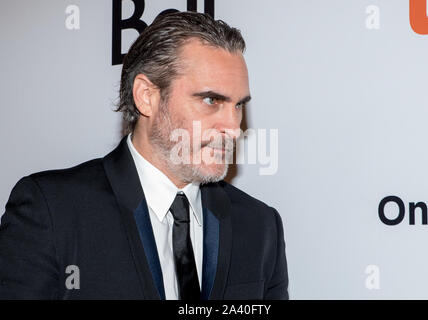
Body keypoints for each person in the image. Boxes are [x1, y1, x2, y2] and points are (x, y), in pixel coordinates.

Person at [0, 11, 288, 300]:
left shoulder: (260, 226)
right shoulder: (52, 211)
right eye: (211, 100)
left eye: (238, 105)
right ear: (146, 96)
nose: (233, 128)